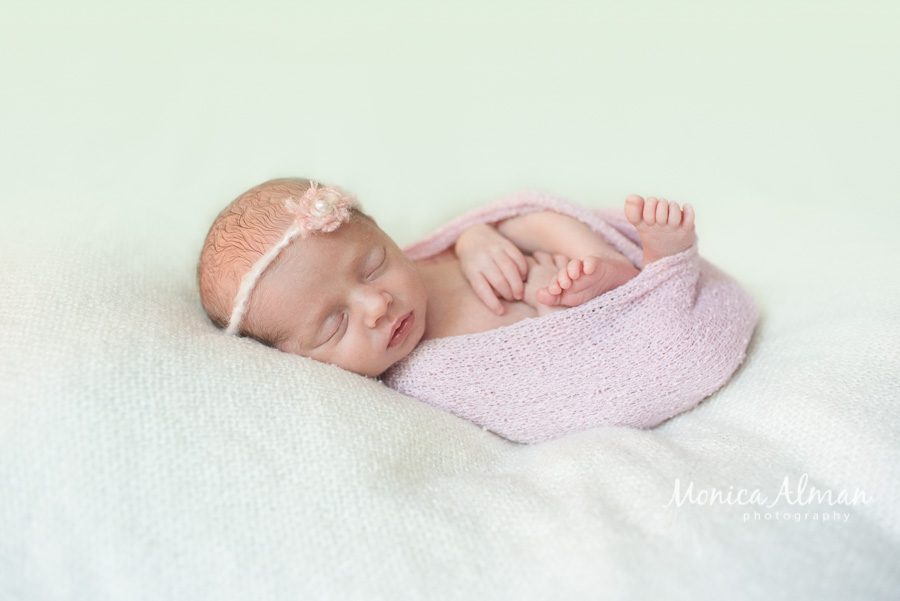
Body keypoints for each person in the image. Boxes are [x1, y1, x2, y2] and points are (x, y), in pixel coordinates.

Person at [197, 178, 696, 379]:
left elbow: (508, 218)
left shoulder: (426, 264)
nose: (377, 305)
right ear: (297, 359)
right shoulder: (419, 377)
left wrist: (476, 239)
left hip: (553, 266)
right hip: (583, 332)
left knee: (533, 222)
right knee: (641, 331)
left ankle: (630, 266)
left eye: (373, 266)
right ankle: (653, 281)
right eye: (334, 325)